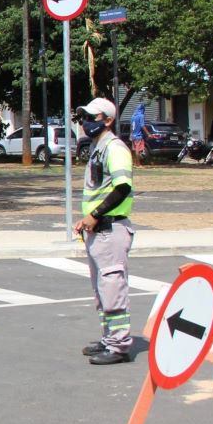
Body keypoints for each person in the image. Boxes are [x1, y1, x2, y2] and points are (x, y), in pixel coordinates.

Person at [74, 97, 135, 365]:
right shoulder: (97, 148)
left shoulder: (115, 148)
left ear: (108, 120)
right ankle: (108, 337)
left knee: (112, 287)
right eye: (84, 117)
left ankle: (119, 345)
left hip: (110, 229)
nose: (86, 122)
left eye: (92, 117)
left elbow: (122, 188)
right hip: (98, 230)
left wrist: (95, 215)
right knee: (102, 290)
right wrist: (86, 219)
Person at [130, 102, 146, 167]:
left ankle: (135, 163)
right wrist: (148, 133)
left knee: (134, 150)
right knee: (138, 150)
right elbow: (142, 126)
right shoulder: (141, 116)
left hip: (133, 135)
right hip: (138, 136)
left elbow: (131, 126)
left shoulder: (133, 116)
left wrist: (131, 135)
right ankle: (138, 164)